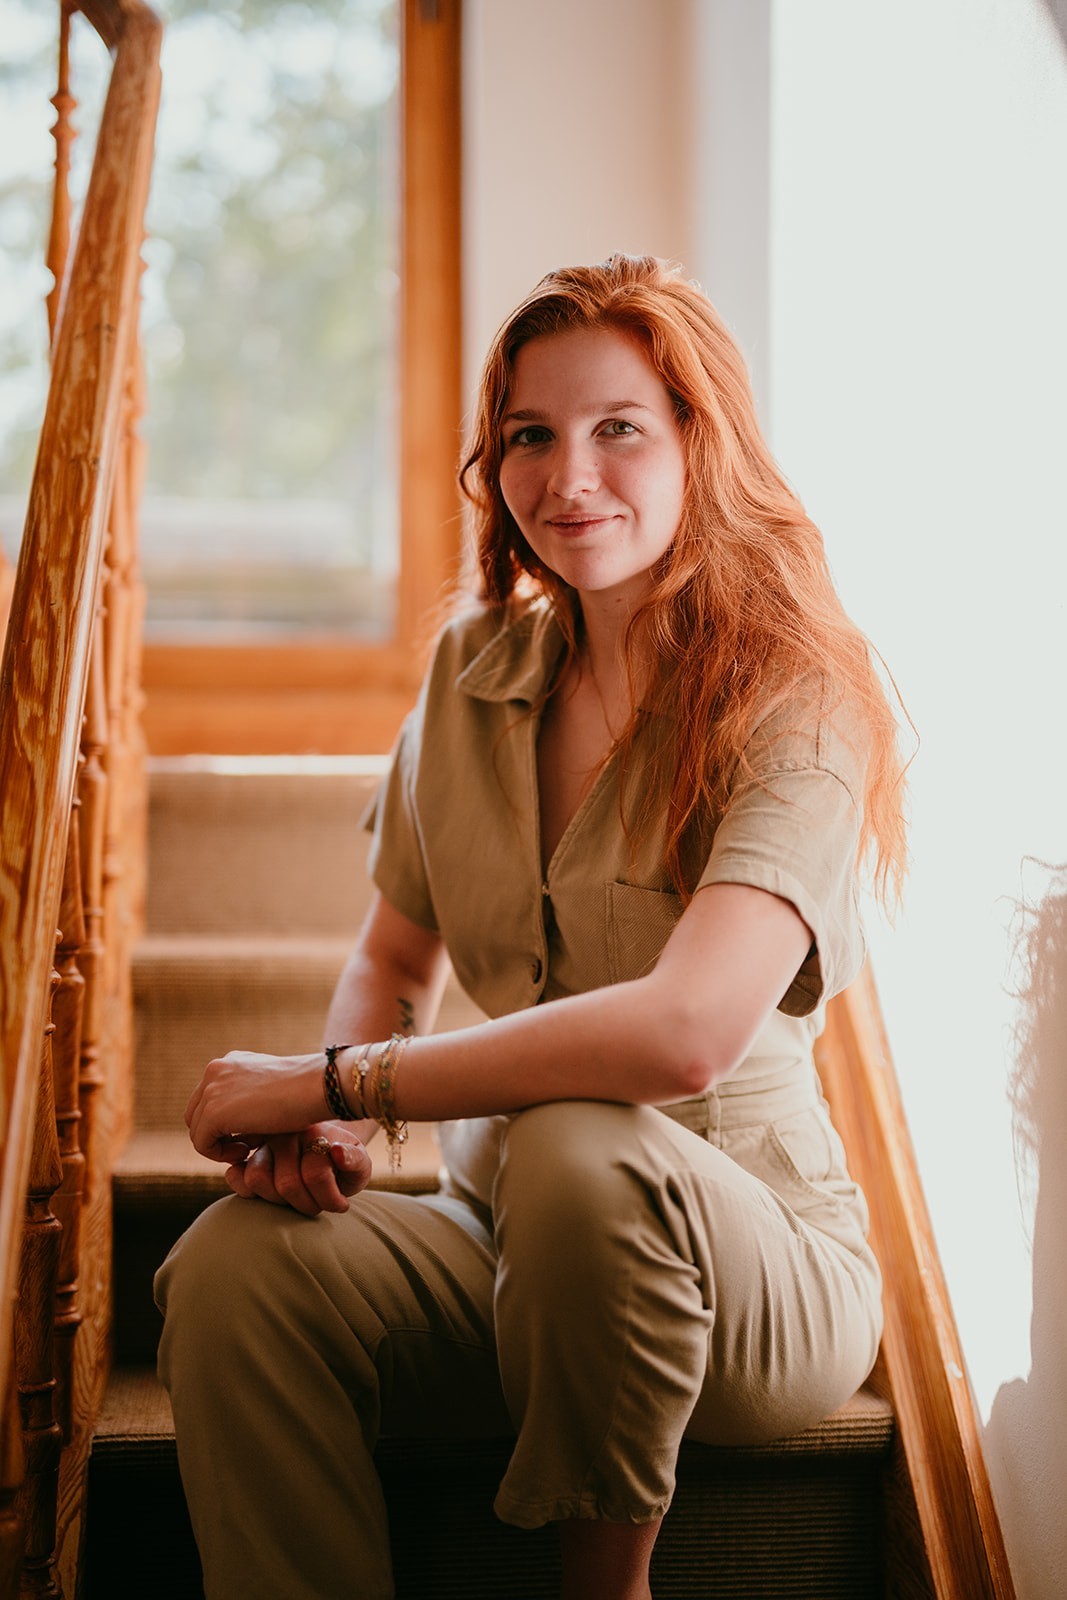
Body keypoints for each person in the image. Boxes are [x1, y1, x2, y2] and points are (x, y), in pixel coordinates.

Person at [155, 253, 908, 1600]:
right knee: (231, 1273)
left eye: (619, 426)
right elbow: (396, 958)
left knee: (577, 1139)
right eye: (529, 436)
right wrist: (330, 1126)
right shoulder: (469, 670)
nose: (569, 476)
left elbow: (684, 1037)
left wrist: (334, 1081)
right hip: (500, 1238)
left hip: (758, 1278)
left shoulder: (798, 696)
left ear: (699, 439)